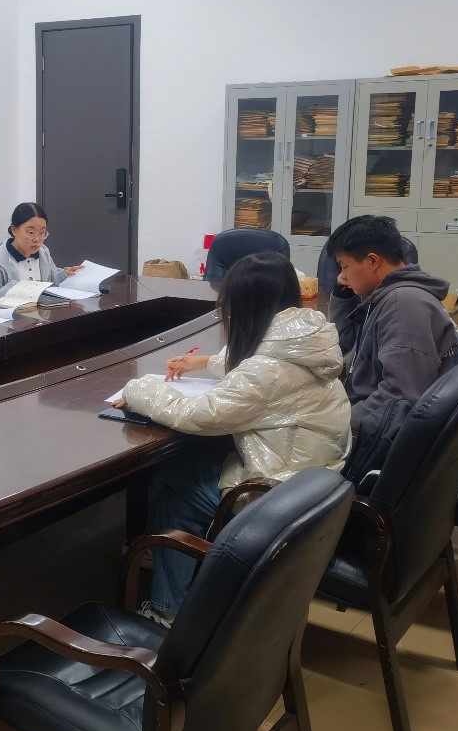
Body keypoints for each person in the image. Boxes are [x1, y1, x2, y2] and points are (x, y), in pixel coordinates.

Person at [116, 252, 351, 625]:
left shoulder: (266, 370)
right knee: (186, 475)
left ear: (246, 307)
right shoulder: (308, 338)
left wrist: (136, 387)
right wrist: (208, 362)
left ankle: (167, 609)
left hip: (271, 497)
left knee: (171, 479)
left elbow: (199, 413)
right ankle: (168, 564)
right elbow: (267, 368)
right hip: (311, 487)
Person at [325, 215, 458, 429]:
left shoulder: (403, 305)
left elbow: (399, 398)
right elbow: (342, 342)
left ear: (372, 261)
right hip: (374, 415)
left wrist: (336, 424)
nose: (342, 276)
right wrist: (343, 294)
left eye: (344, 267)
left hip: (384, 432)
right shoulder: (386, 297)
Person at [0, 201, 84, 298]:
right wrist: (15, 289)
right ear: (14, 230)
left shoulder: (43, 253)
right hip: (13, 314)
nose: (37, 239)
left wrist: (64, 274)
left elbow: (50, 280)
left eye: (42, 233)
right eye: (31, 232)